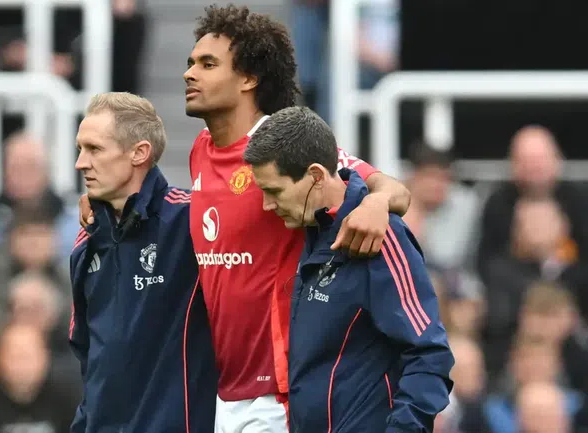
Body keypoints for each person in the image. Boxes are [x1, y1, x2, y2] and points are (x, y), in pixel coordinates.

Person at [80, 5, 412, 431]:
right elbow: (190, 208)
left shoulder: (282, 147)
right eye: (190, 62)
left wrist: (375, 204)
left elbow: (393, 190)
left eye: (208, 64)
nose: (189, 74)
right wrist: (108, 203)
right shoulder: (201, 149)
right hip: (224, 392)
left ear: (249, 78)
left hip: (280, 395)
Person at [243, 106, 453, 433]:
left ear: (316, 176)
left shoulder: (381, 235)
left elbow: (429, 355)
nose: (267, 205)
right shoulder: (312, 230)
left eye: (274, 191)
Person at [69, 92, 217, 433]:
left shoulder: (192, 222)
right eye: (80, 149)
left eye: (94, 149)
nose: (80, 163)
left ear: (139, 152)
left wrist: (356, 195)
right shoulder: (85, 243)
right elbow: (88, 358)